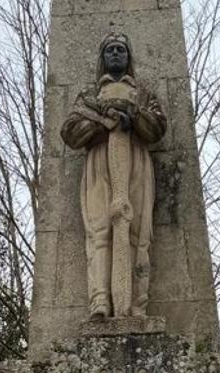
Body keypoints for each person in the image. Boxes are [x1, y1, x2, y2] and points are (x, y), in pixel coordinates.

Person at [61, 31, 167, 320]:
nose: (116, 54)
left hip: (135, 163)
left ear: (128, 56)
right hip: (99, 164)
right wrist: (102, 123)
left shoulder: (143, 93)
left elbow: (157, 127)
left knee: (137, 231)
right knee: (100, 232)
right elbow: (70, 131)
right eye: (110, 50)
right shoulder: (89, 97)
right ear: (103, 58)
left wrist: (132, 118)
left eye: (121, 50)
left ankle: (135, 305)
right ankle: (99, 302)